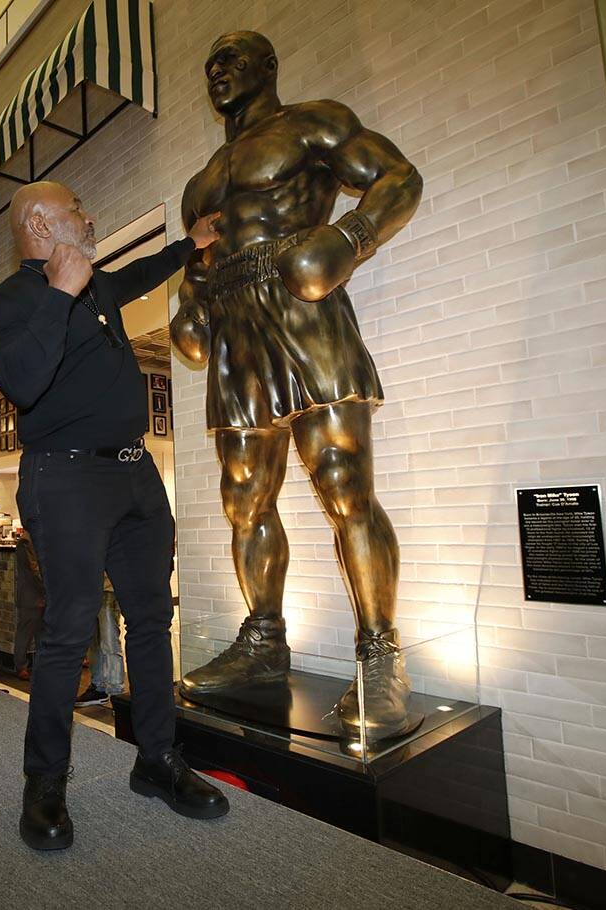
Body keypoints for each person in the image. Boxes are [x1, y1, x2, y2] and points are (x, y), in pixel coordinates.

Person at [173, 32, 422, 739]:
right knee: (244, 498)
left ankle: (381, 656)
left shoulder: (313, 122)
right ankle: (262, 644)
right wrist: (191, 306)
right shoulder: (202, 181)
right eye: (210, 62)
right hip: (235, 326)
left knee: (344, 484)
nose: (218, 69)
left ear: (268, 67)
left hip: (303, 304)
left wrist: (350, 239)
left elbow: (399, 177)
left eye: (233, 58)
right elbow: (196, 265)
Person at [0, 180, 228, 850]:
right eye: (75, 212)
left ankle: (156, 761)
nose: (88, 219)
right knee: (68, 631)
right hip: (63, 475)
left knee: (151, 617)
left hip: (134, 475)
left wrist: (191, 244)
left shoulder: (97, 287)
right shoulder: (14, 299)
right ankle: (44, 787)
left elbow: (143, 272)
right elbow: (22, 383)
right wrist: (60, 292)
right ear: (38, 223)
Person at [74, 575, 124, 708]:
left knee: (109, 641)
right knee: (94, 642)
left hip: (109, 589)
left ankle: (116, 691)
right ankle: (98, 687)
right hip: (89, 589)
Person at [13, 528, 45, 681]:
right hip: (31, 594)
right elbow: (34, 570)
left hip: (36, 593)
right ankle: (21, 666)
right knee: (26, 632)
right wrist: (46, 588)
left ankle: (37, 665)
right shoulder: (27, 541)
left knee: (39, 632)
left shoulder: (33, 537)